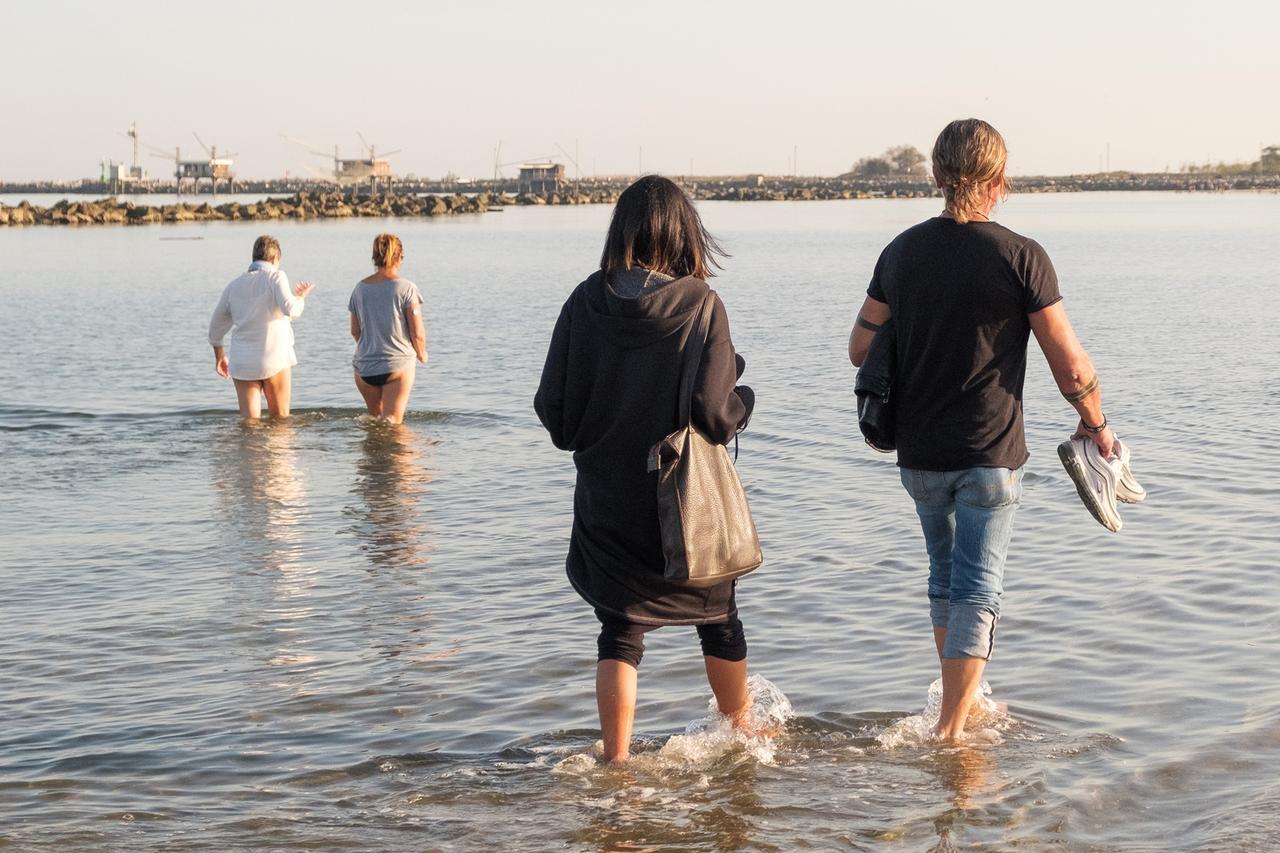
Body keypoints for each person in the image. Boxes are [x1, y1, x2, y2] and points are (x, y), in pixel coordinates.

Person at [848, 119, 1116, 742]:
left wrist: (917, 321)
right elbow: (1070, 365)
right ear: (999, 181)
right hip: (990, 453)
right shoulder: (1022, 256)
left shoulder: (901, 251)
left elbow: (860, 347)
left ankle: (964, 704)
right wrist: (1095, 423)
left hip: (918, 452)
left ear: (937, 177)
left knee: (944, 580)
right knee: (978, 587)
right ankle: (950, 731)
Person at [534, 176, 758, 764]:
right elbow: (714, 414)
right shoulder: (701, 304)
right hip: (683, 499)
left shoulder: (584, 300)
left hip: (607, 493)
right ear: (685, 233)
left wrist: (599, 436)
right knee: (718, 616)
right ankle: (744, 733)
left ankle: (616, 759)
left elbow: (554, 414)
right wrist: (745, 401)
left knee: (620, 628)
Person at [208, 235, 314, 419]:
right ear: (275, 259)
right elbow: (291, 309)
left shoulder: (233, 286)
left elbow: (215, 330)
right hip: (274, 357)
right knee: (280, 420)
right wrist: (301, 297)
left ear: (254, 258)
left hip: (243, 362)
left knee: (249, 424)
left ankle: (249, 449)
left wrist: (220, 355)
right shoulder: (276, 276)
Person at [348, 233, 427, 424]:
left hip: (364, 368)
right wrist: (422, 354)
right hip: (397, 365)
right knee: (392, 424)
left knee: (377, 423)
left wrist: (372, 347)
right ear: (400, 256)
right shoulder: (406, 288)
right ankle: (421, 449)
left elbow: (355, 331)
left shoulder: (360, 289)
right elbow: (417, 333)